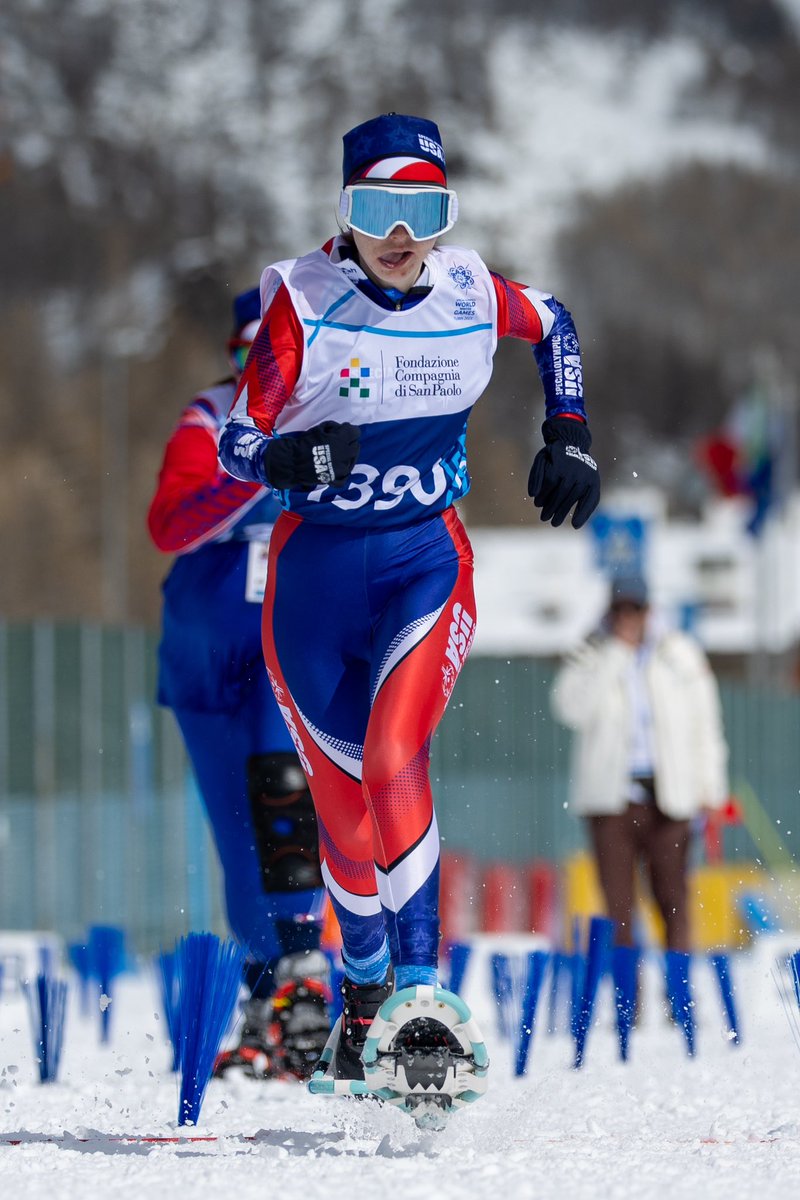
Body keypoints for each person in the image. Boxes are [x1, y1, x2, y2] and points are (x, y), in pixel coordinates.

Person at [217, 113, 600, 1102]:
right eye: (377, 209)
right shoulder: (300, 303)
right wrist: (283, 458)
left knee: (395, 759)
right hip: (311, 586)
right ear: (343, 215)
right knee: (344, 825)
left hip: (425, 564)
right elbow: (236, 439)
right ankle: (363, 998)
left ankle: (424, 996)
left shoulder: (469, 290)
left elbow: (551, 318)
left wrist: (568, 429)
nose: (400, 234)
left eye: (422, 209)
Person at [147, 288, 331, 1082]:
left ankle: (306, 976)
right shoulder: (210, 416)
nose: (262, 371)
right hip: (205, 651)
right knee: (233, 833)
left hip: (290, 642)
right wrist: (256, 467)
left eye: (277, 354)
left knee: (281, 787)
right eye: (249, 353)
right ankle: (268, 997)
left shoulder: (334, 418)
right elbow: (170, 525)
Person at [550, 574, 730, 954]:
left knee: (673, 900)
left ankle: (681, 1001)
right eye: (620, 609)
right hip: (611, 801)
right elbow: (571, 709)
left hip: (670, 797)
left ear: (651, 610)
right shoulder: (590, 652)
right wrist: (615, 655)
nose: (628, 617)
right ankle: (627, 1005)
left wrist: (710, 789)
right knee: (617, 909)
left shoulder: (680, 653)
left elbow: (705, 726)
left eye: (636, 608)